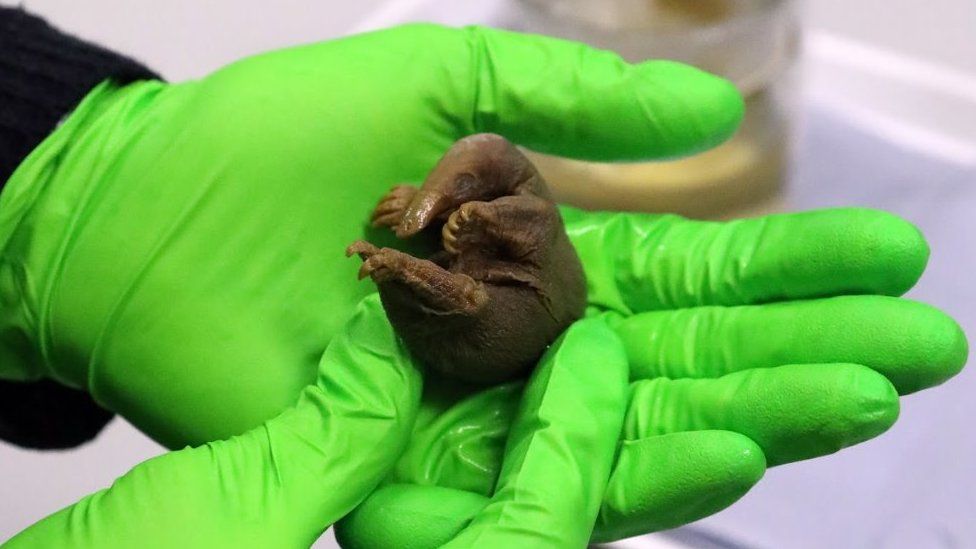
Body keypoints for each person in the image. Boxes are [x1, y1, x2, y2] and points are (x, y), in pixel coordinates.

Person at [0, 6, 966, 547]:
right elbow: (474, 197)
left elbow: (484, 226)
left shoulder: (510, 239)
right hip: (486, 305)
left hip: (503, 309)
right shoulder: (485, 225)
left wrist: (49, 166)